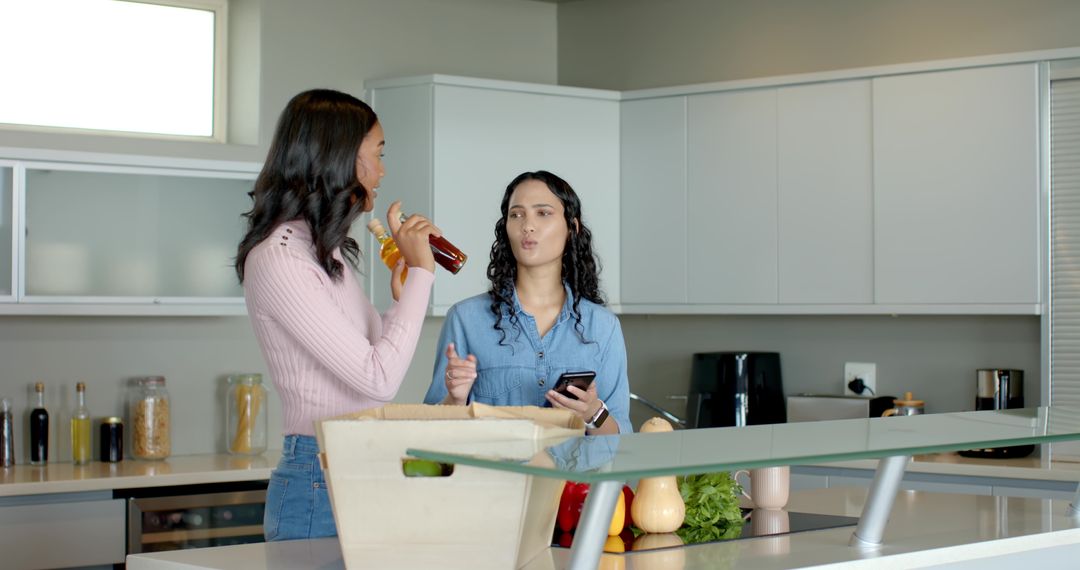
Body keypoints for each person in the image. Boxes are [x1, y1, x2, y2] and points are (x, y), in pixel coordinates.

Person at [235, 89, 440, 541]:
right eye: (377, 155)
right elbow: (378, 379)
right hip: (319, 476)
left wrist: (401, 299)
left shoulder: (322, 252)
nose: (382, 171)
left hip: (354, 466)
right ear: (339, 159)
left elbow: (365, 367)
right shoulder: (280, 259)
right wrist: (423, 275)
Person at [423, 170, 630, 435]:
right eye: (516, 214)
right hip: (494, 475)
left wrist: (592, 413)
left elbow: (620, 439)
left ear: (572, 228)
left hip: (574, 477)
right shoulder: (465, 318)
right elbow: (430, 430)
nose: (527, 225)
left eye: (543, 213)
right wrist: (454, 399)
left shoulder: (604, 326)